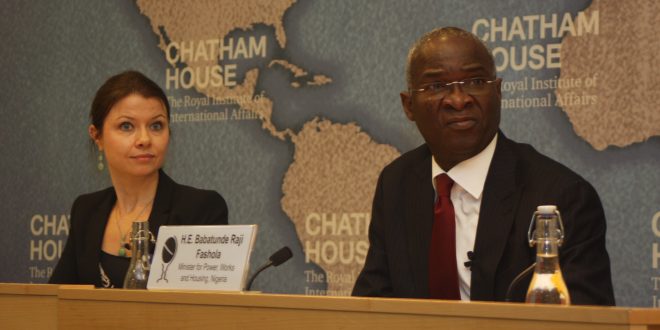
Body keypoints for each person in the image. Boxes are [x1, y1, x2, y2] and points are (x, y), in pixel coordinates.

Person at [352, 27, 615, 305]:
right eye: (437, 86)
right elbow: (372, 305)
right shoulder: (398, 183)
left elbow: (587, 318)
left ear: (498, 92)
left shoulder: (563, 196)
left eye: (475, 81)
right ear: (409, 106)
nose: (458, 100)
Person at [49, 70, 228, 288]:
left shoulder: (199, 209)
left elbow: (207, 311)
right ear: (97, 137)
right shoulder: (86, 210)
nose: (144, 139)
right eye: (126, 126)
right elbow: (55, 301)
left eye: (156, 126)